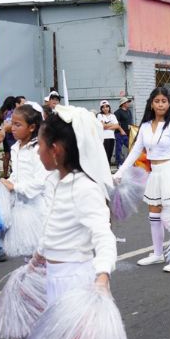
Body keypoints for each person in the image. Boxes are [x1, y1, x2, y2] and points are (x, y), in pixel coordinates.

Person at [33, 105, 116, 305]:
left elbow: (104, 236)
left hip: (75, 283)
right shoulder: (53, 180)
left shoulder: (84, 188)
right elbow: (51, 226)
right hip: (52, 277)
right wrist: (39, 255)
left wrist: (102, 274)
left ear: (55, 149)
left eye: (40, 144)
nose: (37, 150)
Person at [114, 87, 170, 271]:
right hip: (155, 173)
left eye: (164, 101)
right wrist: (120, 172)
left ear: (169, 104)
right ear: (152, 103)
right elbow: (135, 151)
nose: (160, 104)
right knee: (154, 214)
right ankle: (158, 254)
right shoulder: (144, 126)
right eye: (157, 101)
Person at [0, 104, 48, 258]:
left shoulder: (38, 150)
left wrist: (15, 186)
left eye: (17, 124)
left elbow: (41, 182)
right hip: (21, 206)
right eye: (12, 123)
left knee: (43, 252)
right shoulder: (15, 147)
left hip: (38, 207)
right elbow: (18, 173)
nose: (12, 128)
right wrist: (8, 181)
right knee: (30, 256)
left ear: (32, 127)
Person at [96, 100, 123, 166]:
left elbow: (117, 126)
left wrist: (106, 126)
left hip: (111, 137)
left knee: (110, 154)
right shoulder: (100, 115)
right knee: (105, 154)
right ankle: (104, 168)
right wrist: (111, 124)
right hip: (104, 138)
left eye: (107, 107)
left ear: (109, 107)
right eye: (103, 107)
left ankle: (108, 168)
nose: (105, 108)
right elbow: (102, 126)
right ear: (101, 108)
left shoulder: (113, 116)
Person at [114, 97, 133, 167]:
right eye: (127, 102)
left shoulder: (129, 111)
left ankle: (131, 162)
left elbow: (130, 121)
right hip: (119, 134)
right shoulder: (117, 112)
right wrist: (121, 131)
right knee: (118, 149)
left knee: (132, 147)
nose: (129, 103)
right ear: (123, 104)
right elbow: (116, 124)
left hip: (128, 133)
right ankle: (119, 163)